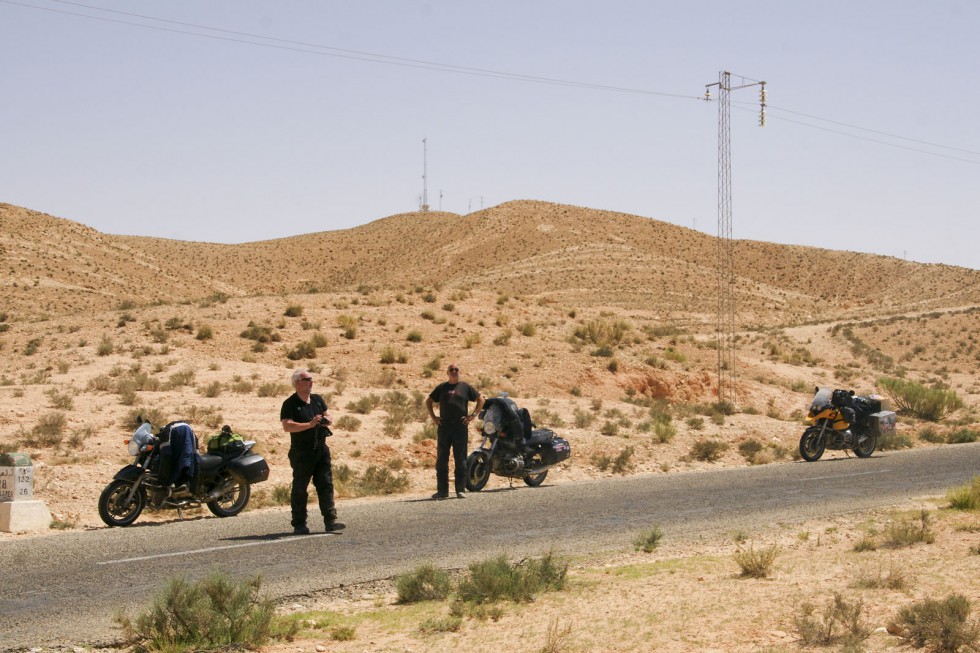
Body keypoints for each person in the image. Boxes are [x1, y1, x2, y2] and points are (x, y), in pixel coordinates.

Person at [280, 368, 345, 534]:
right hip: (301, 452)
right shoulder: (290, 403)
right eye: (307, 379)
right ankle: (299, 524)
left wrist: (326, 420)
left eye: (311, 379)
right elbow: (287, 426)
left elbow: (329, 416)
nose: (311, 382)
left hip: (320, 448)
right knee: (300, 488)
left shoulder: (317, 399)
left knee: (326, 484)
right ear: (297, 383)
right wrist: (309, 425)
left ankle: (330, 520)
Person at [426, 362, 484, 499]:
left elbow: (481, 399)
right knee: (442, 459)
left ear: (459, 372)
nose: (454, 371)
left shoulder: (465, 387)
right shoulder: (442, 387)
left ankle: (460, 489)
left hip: (460, 427)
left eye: (456, 369)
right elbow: (428, 401)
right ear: (447, 372)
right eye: (451, 370)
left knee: (461, 459)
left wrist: (472, 416)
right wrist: (434, 417)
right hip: (444, 427)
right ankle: (442, 491)